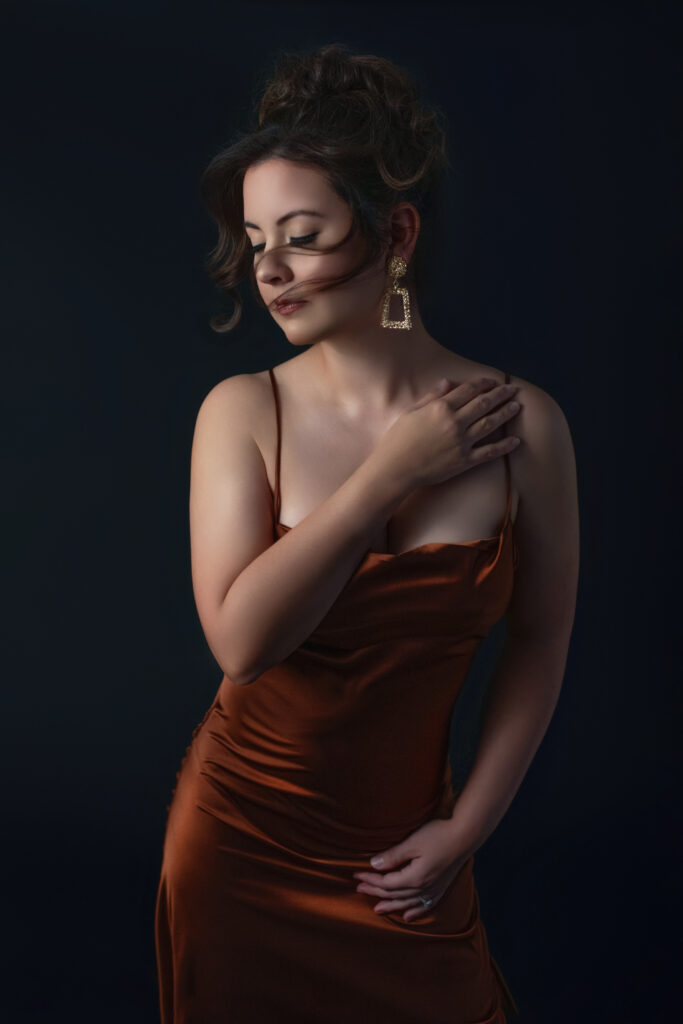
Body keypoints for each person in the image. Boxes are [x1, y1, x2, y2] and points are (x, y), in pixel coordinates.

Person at [154, 43, 579, 1024]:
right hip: (239, 849)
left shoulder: (528, 427)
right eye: (255, 238)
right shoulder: (242, 410)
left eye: (299, 235)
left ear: (394, 231)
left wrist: (466, 827)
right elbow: (240, 641)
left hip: (407, 856)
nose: (268, 269)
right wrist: (387, 476)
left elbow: (541, 636)